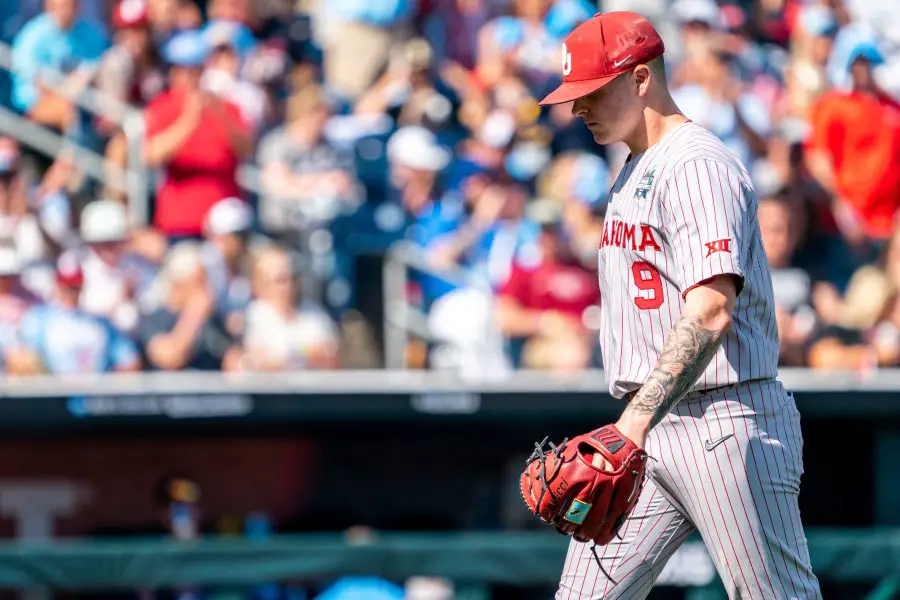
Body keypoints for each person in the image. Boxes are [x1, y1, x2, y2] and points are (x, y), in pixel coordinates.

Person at [532, 12, 822, 598]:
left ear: (641, 79)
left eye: (591, 91)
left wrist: (631, 426)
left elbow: (713, 308)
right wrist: (637, 424)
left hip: (725, 419)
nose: (577, 108)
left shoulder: (696, 164)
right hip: (652, 425)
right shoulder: (635, 163)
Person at [16, 252, 141, 375]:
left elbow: (128, 359)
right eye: (67, 286)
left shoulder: (98, 323)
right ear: (57, 284)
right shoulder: (38, 319)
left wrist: (108, 386)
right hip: (54, 393)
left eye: (75, 286)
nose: (72, 291)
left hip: (95, 392)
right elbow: (23, 359)